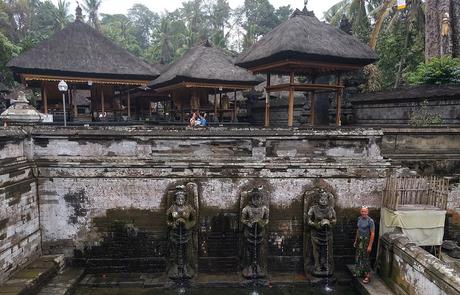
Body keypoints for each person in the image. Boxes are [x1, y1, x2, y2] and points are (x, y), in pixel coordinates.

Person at [354, 206, 375, 284]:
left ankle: (368, 275)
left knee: (365, 257)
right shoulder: (359, 219)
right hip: (359, 240)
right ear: (360, 212)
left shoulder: (370, 221)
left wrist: (370, 245)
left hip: (366, 241)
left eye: (365, 212)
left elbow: (372, 233)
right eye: (362, 211)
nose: (363, 213)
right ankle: (360, 271)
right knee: (358, 256)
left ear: (367, 212)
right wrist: (356, 240)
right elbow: (358, 230)